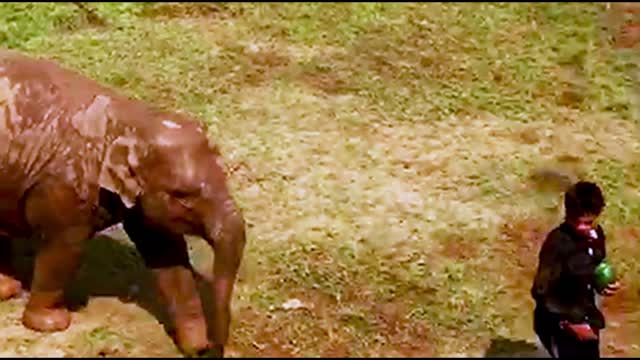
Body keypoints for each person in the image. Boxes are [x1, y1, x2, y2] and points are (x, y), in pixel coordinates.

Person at [531, 181, 621, 358]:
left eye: (589, 222)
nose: (583, 228)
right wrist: (569, 323)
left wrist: (603, 285)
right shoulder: (557, 244)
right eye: (577, 222)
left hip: (586, 316)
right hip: (559, 323)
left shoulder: (597, 235)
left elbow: (595, 268)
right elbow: (541, 291)